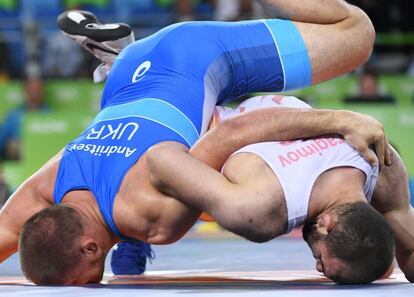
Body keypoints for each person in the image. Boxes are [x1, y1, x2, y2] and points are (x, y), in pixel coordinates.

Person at [0, 0, 387, 285]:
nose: (95, 285)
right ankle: (121, 56)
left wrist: (341, 119)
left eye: (86, 283)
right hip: (128, 80)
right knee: (195, 178)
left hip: (196, 55)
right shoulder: (43, 189)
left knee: (355, 32)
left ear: (90, 248)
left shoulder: (155, 218)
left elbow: (228, 137)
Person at [147, 94, 408, 284]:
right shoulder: (258, 211)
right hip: (201, 120)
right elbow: (160, 158)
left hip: (260, 107)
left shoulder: (379, 160)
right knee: (164, 218)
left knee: (377, 267)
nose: (317, 267)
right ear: (327, 224)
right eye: (324, 263)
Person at [0, 76, 48, 160]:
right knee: (13, 145)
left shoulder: (49, 114)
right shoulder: (14, 115)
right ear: (25, 92)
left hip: (43, 150)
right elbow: (2, 138)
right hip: (20, 155)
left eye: (37, 90)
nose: (35, 94)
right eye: (32, 91)